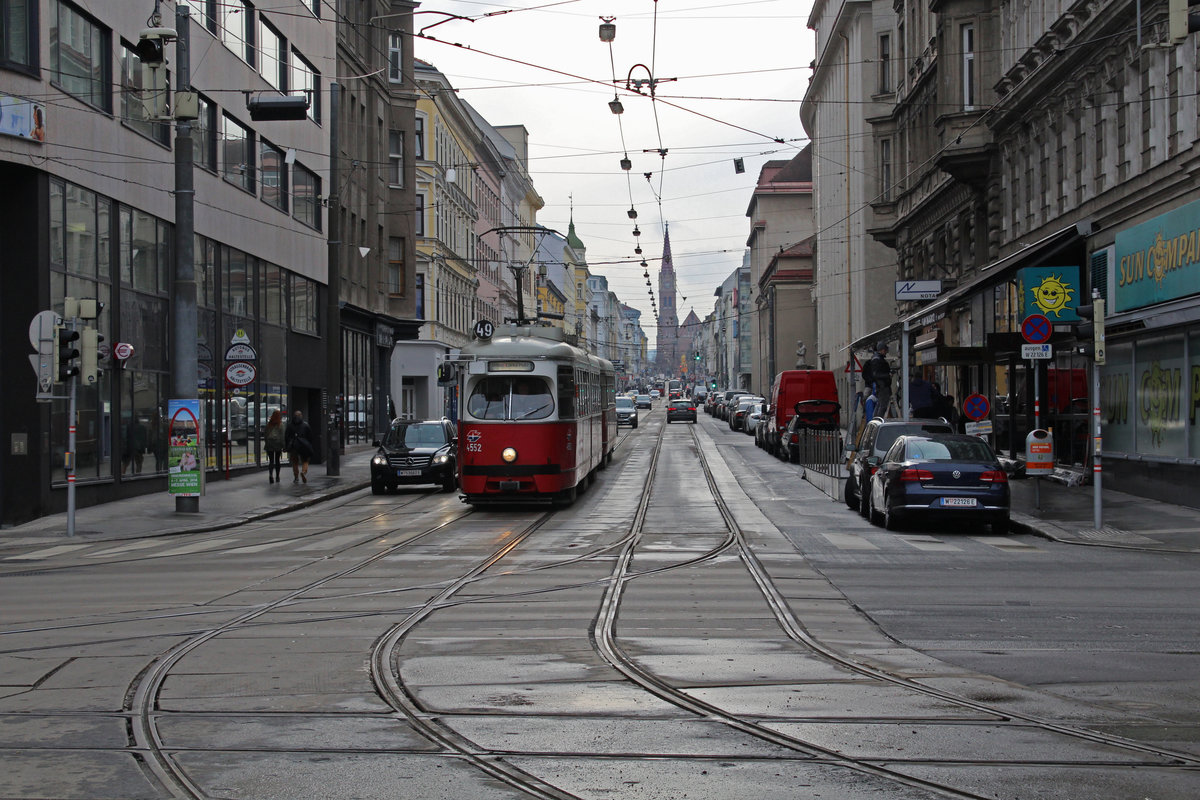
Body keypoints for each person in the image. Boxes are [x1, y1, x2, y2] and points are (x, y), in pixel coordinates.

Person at [284, 409, 314, 484]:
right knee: (305, 460)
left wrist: (287, 446)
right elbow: (310, 436)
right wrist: (309, 445)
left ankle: (296, 477)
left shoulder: (290, 425)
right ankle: (303, 472)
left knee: (295, 462)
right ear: (301, 416)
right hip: (303, 446)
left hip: (294, 446)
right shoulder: (305, 425)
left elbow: (286, 436)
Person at [868, 342, 892, 419]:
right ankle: (877, 421)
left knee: (880, 404)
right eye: (885, 350)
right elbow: (876, 375)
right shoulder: (877, 359)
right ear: (881, 350)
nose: (886, 352)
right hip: (882, 386)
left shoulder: (877, 358)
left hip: (881, 385)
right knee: (882, 405)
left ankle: (876, 420)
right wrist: (888, 375)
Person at [263, 410, 285, 484]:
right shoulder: (280, 425)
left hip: (269, 444)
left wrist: (266, 443)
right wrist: (283, 445)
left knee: (271, 461)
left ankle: (270, 475)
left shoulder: (269, 424)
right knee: (277, 460)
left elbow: (265, 435)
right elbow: (282, 436)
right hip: (277, 444)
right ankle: (277, 476)